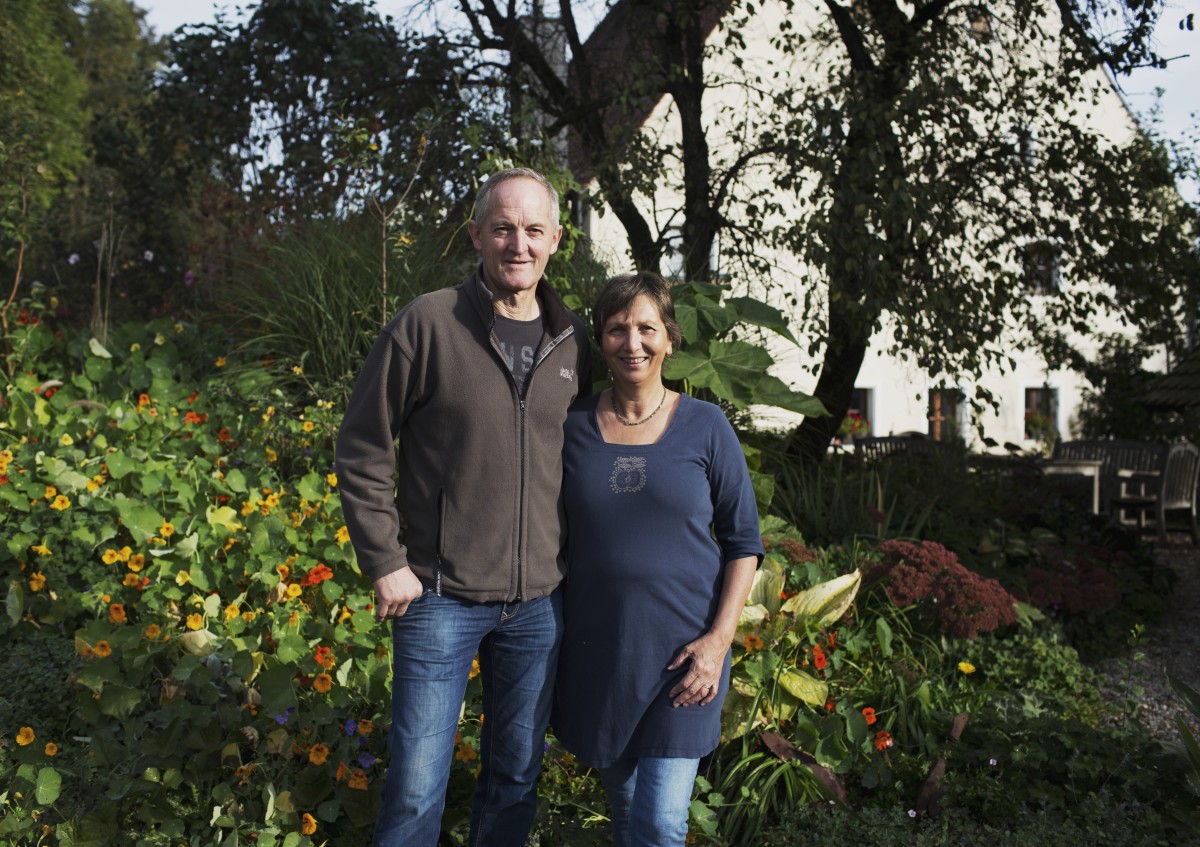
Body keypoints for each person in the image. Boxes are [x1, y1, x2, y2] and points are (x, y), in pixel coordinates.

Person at [335, 167, 592, 847]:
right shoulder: (428, 323)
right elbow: (362, 443)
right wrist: (386, 559)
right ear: (476, 233)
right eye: (503, 226)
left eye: (534, 229)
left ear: (556, 240)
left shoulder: (575, 343)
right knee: (418, 788)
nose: (519, 243)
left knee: (515, 779)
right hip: (438, 597)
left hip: (539, 606)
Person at [552, 271, 762, 847]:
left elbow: (744, 541)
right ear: (602, 340)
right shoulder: (572, 428)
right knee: (625, 812)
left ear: (670, 338)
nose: (632, 342)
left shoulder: (706, 428)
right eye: (617, 329)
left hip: (685, 660)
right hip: (600, 655)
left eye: (647, 328)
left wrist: (719, 644)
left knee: (660, 822)